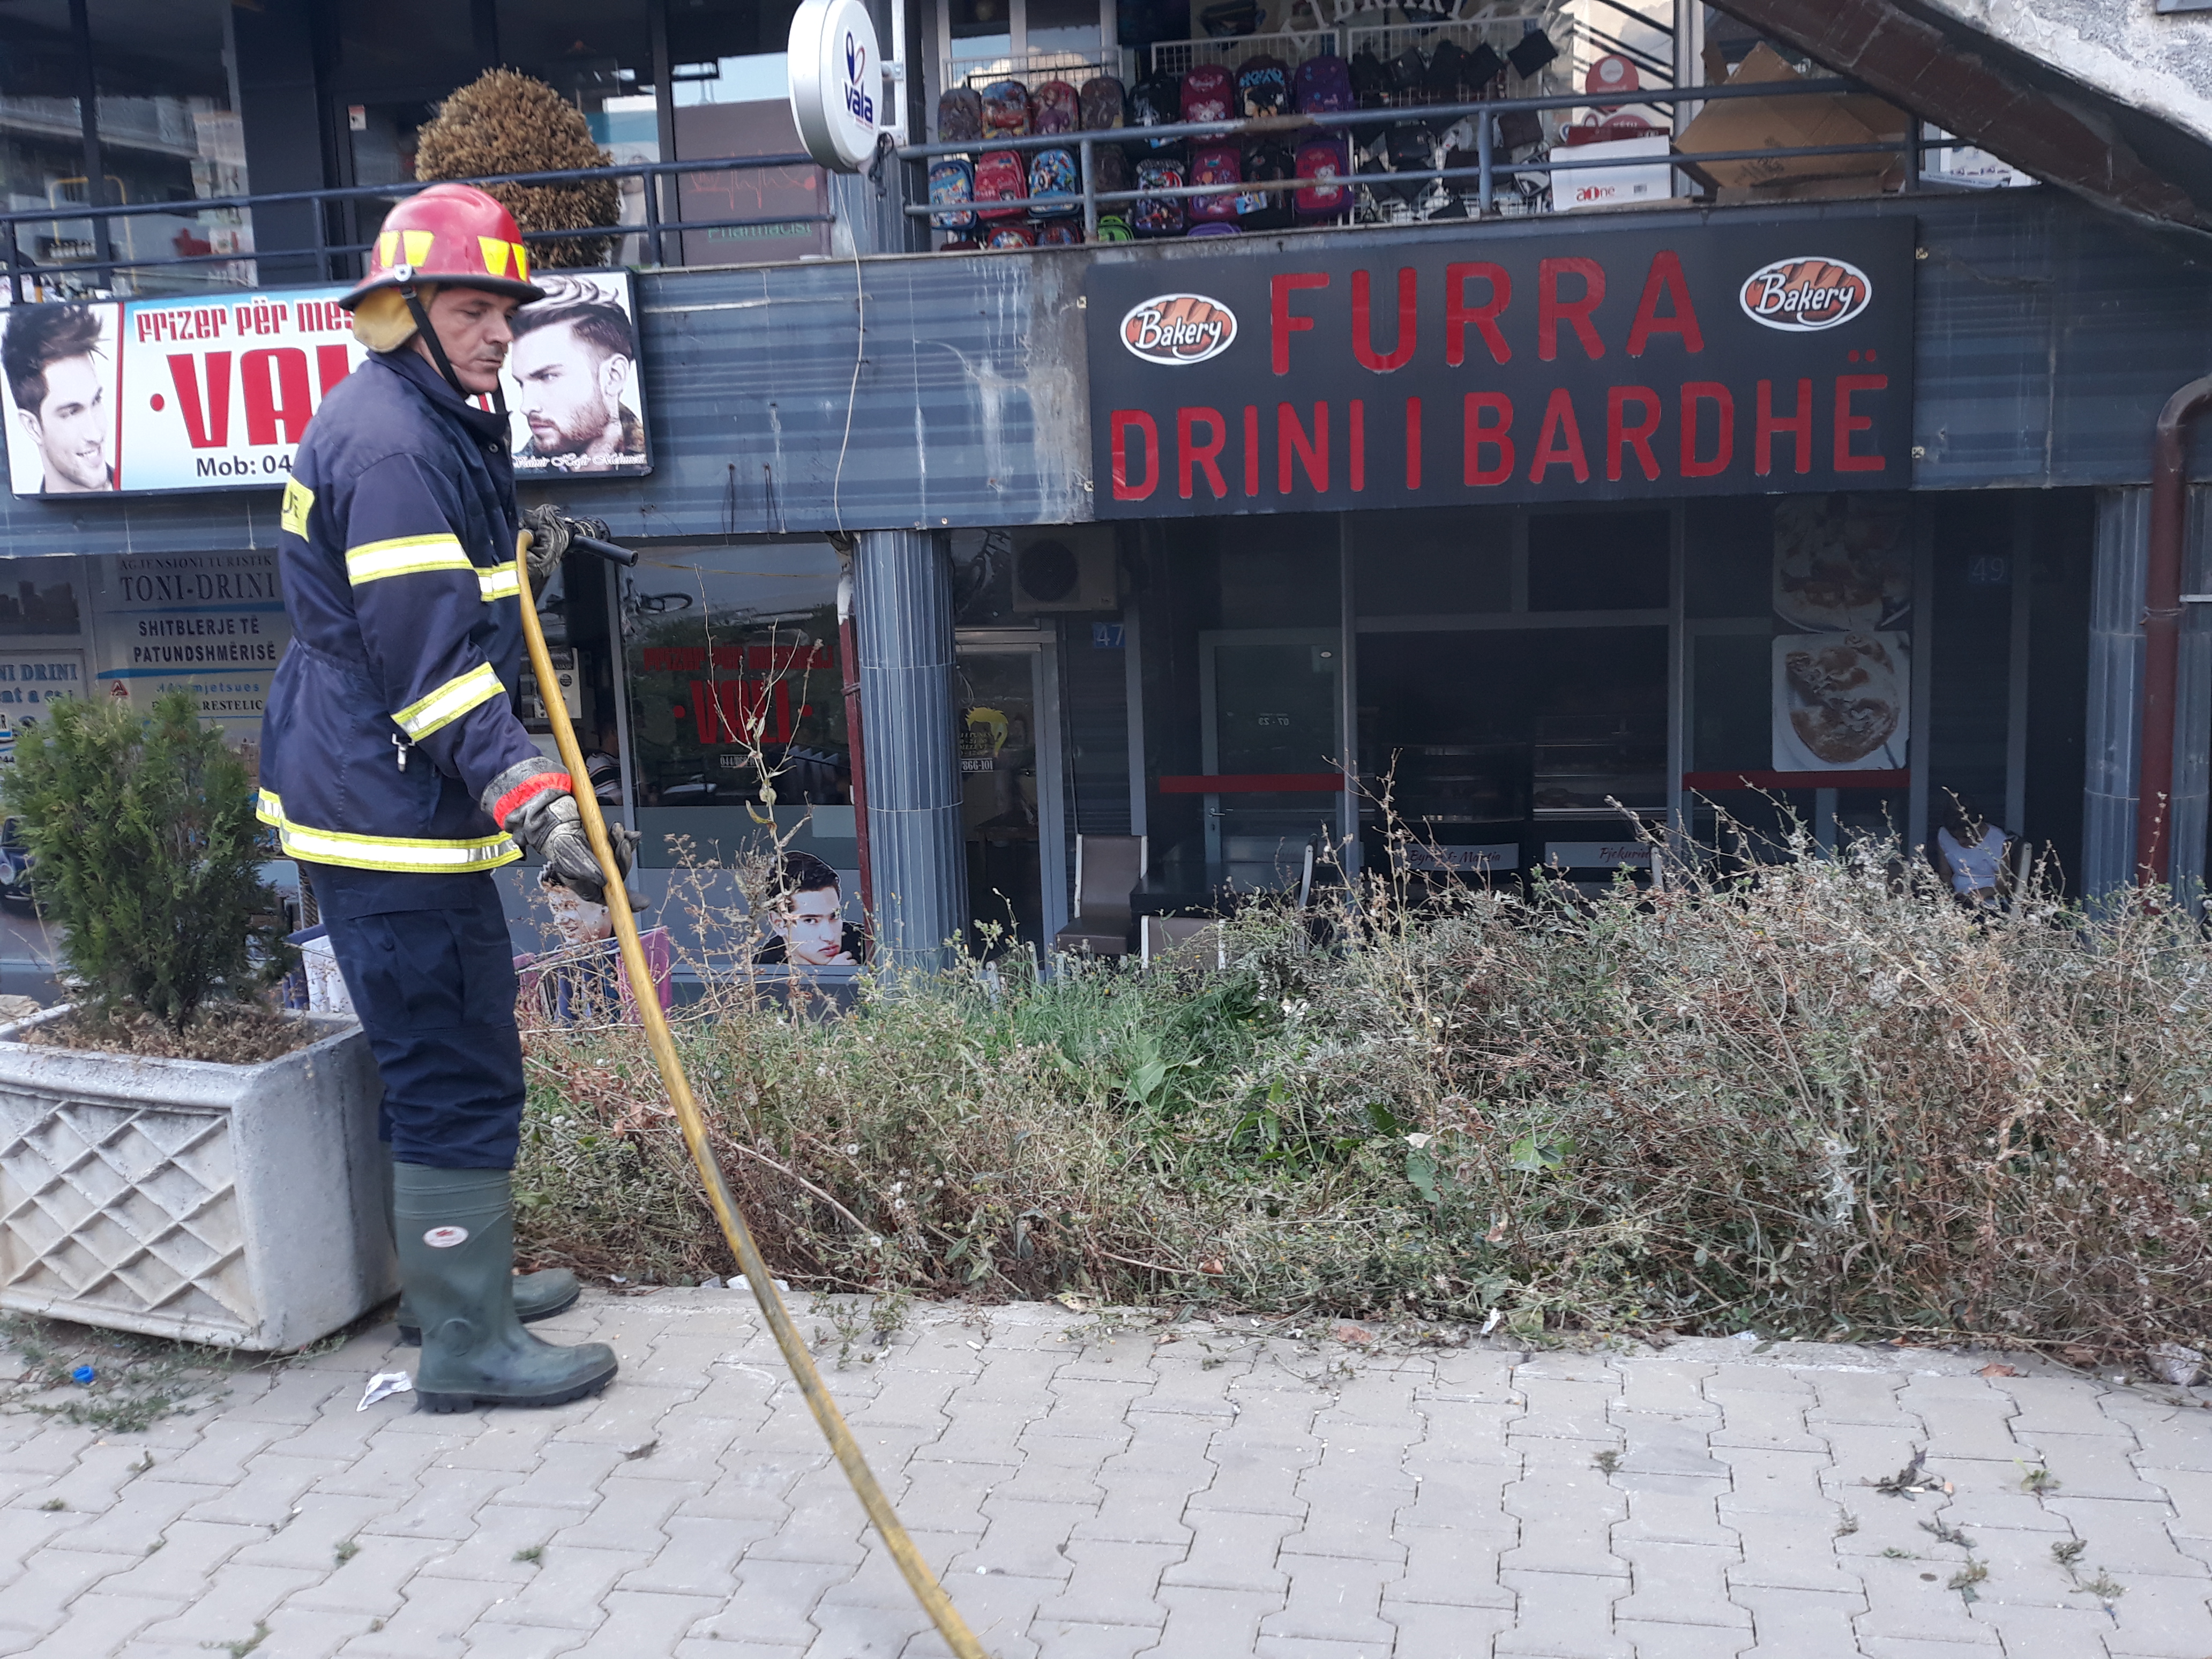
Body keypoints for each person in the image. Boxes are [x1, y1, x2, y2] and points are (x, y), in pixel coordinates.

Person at [258, 183, 639, 1413]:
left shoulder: (429, 422)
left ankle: (454, 1288)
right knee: (453, 1064)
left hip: (389, 792)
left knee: (454, 1052)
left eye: (504, 312)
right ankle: (464, 1341)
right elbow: (430, 673)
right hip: (387, 802)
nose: (498, 335)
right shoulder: (394, 445)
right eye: (473, 309)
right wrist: (535, 806)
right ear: (404, 312)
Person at [507, 277, 646, 470]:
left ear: (614, 376)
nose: (526, 407)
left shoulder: (668, 455)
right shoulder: (509, 477)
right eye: (521, 383)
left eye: (548, 377)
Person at [3, 302, 114, 493]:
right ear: (32, 427)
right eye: (71, 413)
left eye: (96, 401)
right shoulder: (26, 520)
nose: (95, 434)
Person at [753, 850, 866, 966]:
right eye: (810, 920)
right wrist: (831, 976)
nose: (829, 936)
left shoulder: (870, 948)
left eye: (834, 916)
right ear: (779, 924)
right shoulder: (762, 974)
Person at [1932, 793, 2011, 908]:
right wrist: (1948, 895)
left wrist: (1981, 894)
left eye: (1966, 837)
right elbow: (1945, 874)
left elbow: (2004, 885)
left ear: (1978, 826)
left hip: (1991, 902)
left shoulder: (1998, 840)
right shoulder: (1943, 835)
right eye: (1955, 838)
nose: (1961, 843)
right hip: (1958, 899)